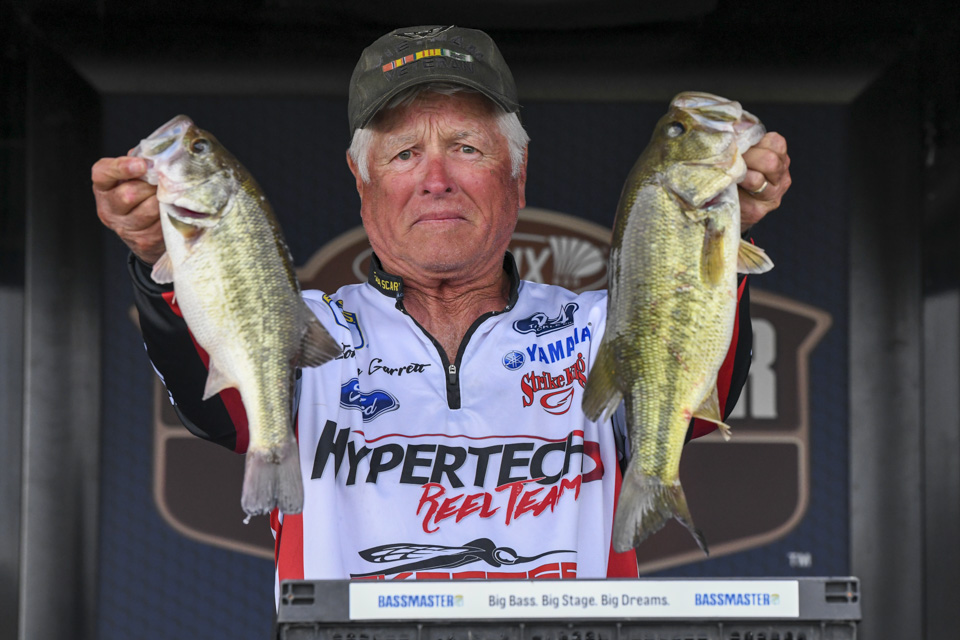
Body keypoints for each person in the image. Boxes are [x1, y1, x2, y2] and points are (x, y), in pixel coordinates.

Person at [91, 26, 791, 589]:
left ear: (517, 175)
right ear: (361, 182)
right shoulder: (299, 328)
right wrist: (162, 254)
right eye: (403, 154)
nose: (435, 179)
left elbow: (705, 377)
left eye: (466, 147)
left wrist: (723, 231)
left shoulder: (599, 329)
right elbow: (211, 398)